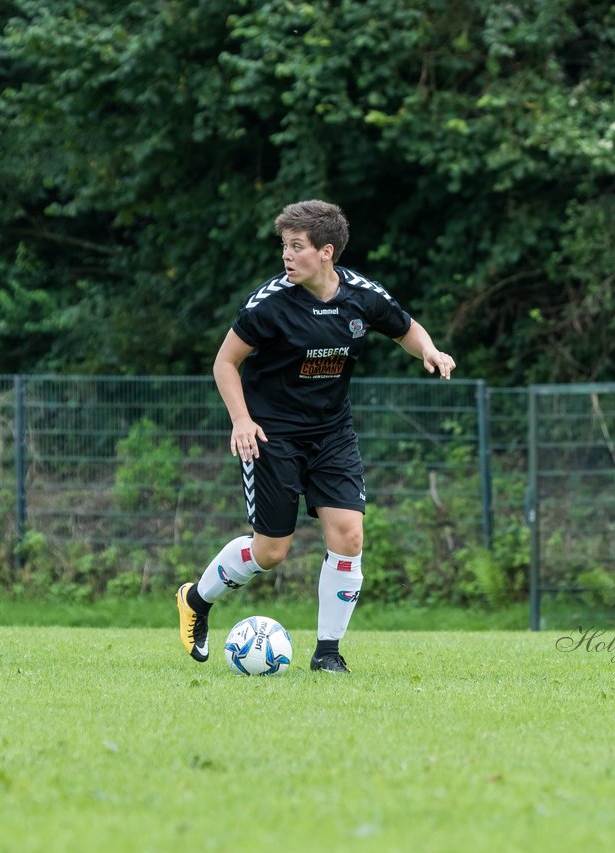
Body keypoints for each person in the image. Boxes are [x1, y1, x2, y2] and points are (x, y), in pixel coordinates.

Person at [176, 200, 456, 673]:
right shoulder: (269, 304)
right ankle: (196, 600)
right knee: (271, 551)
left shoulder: (362, 297)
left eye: (297, 247)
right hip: (271, 434)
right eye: (284, 246)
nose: (286, 256)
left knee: (349, 535)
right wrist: (241, 420)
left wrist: (429, 349)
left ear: (326, 252)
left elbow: (404, 328)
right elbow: (225, 362)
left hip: (332, 433)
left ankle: (328, 653)